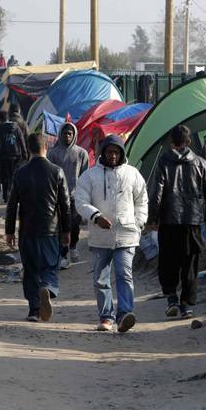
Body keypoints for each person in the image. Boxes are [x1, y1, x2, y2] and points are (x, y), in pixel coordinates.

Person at [76, 135, 148, 332]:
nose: (113, 156)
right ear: (103, 153)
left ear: (122, 153)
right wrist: (96, 216)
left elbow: (142, 200)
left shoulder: (133, 174)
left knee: (124, 274)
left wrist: (139, 222)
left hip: (127, 234)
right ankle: (106, 317)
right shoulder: (90, 176)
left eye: (116, 152)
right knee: (101, 279)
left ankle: (125, 314)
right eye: (109, 152)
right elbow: (80, 201)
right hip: (100, 237)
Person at [147, 125, 206, 319]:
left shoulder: (163, 161)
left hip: (169, 221)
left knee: (168, 261)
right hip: (192, 221)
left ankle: (171, 297)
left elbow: (156, 194)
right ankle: (187, 305)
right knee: (190, 263)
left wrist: (153, 219)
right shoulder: (200, 163)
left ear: (172, 142)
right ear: (188, 142)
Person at [6, 133, 70, 322]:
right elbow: (65, 205)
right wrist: (66, 231)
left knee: (30, 269)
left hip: (27, 230)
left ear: (28, 149)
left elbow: (12, 205)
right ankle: (48, 287)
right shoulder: (57, 171)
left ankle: (34, 310)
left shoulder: (20, 172)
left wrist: (9, 231)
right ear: (46, 148)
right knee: (50, 266)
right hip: (50, 230)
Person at [47, 122, 89, 268]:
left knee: (74, 224)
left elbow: (84, 175)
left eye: (70, 133)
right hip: (58, 196)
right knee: (61, 225)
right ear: (60, 134)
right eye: (65, 133)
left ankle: (73, 246)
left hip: (75, 195)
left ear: (74, 135)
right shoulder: (52, 153)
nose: (67, 136)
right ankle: (63, 254)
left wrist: (85, 194)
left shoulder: (81, 153)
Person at [0, 109, 27, 202]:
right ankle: (15, 196)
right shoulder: (16, 127)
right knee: (15, 177)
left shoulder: (0, 129)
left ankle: (6, 196)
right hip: (16, 156)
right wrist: (25, 154)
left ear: (1, 119)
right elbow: (21, 141)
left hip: (4, 157)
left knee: (5, 178)